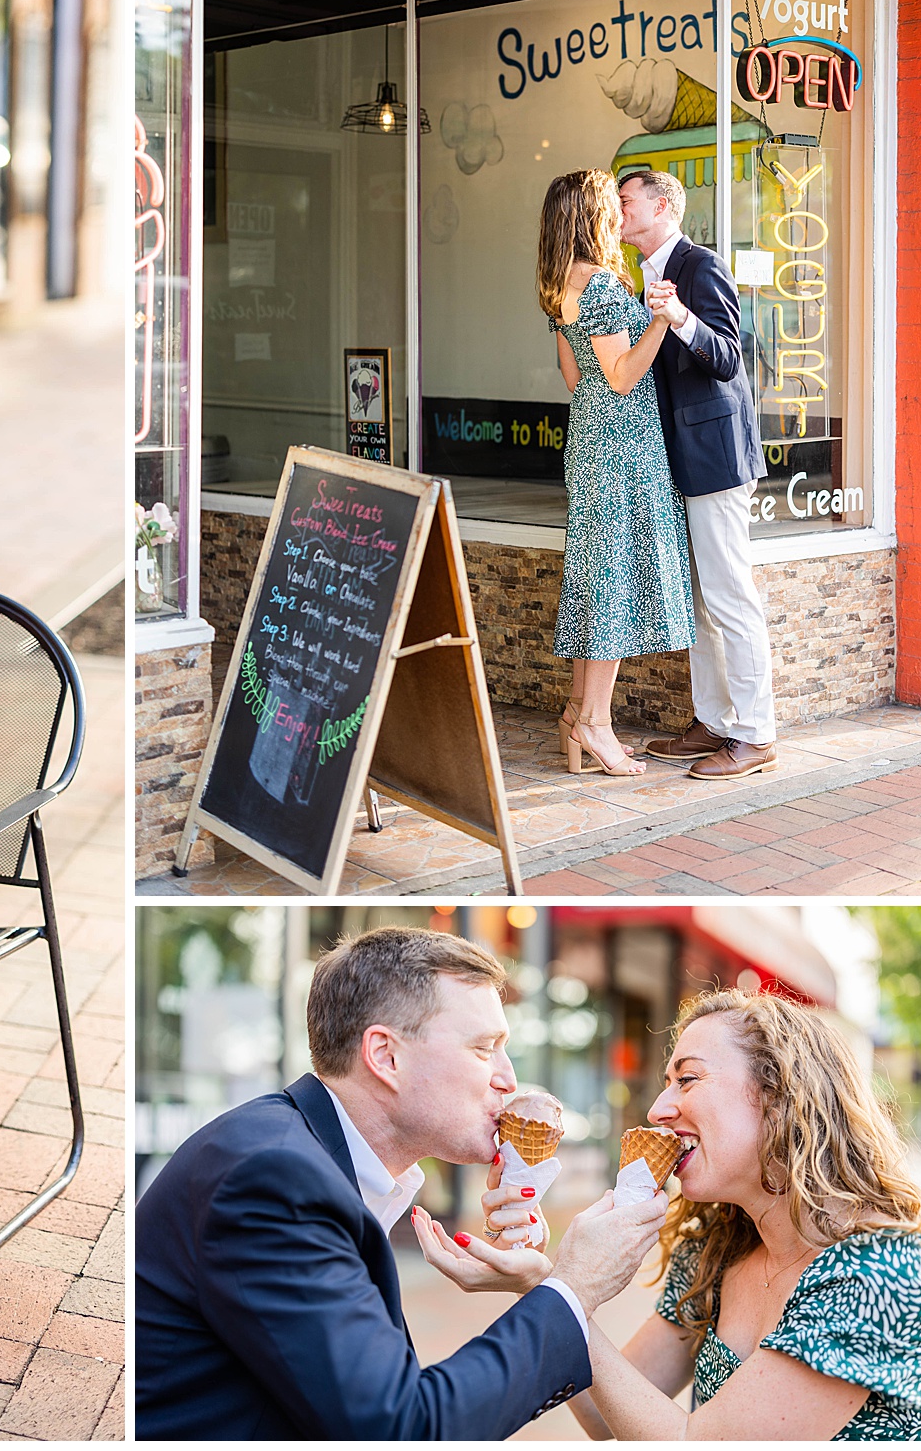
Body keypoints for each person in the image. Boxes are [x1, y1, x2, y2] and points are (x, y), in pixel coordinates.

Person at [134, 926, 670, 1439]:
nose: (508, 1078)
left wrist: (539, 1281)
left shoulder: (307, 1157)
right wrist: (574, 1287)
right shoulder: (274, 1180)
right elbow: (402, 1428)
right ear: (386, 1056)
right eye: (484, 1048)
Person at [564, 988, 921, 1439]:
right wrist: (554, 1281)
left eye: (687, 1079)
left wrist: (566, 1297)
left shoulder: (885, 1270)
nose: (657, 1110)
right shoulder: (717, 1244)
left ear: (778, 1097)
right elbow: (600, 1414)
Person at [621, 167, 779, 780]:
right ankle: (713, 722)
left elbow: (730, 358)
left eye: (627, 201)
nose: (619, 210)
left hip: (715, 457)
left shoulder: (701, 265)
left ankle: (756, 734)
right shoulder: (641, 275)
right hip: (678, 461)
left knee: (730, 596)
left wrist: (681, 316)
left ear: (662, 206)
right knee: (702, 603)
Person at [540, 168, 696, 776]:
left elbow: (573, 378)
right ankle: (595, 724)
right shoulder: (602, 284)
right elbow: (623, 376)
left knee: (595, 581)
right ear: (593, 216)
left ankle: (576, 715)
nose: (619, 213)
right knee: (612, 586)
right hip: (622, 448)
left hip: (590, 440)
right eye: (612, 204)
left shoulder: (563, 284)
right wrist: (660, 319)